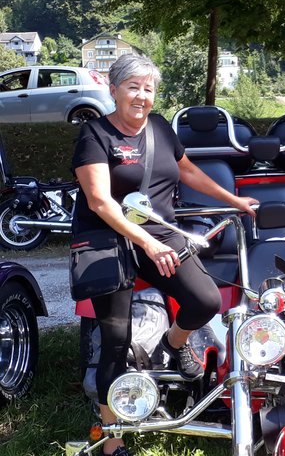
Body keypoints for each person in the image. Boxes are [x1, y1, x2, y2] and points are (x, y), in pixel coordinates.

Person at [71, 54, 258, 456]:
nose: (141, 96)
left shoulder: (158, 127)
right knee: (114, 339)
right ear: (114, 89)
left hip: (158, 233)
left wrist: (234, 200)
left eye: (149, 89)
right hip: (109, 240)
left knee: (206, 299)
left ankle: (173, 343)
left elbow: (188, 171)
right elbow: (101, 202)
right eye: (133, 87)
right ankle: (111, 437)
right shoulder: (94, 135)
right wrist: (147, 243)